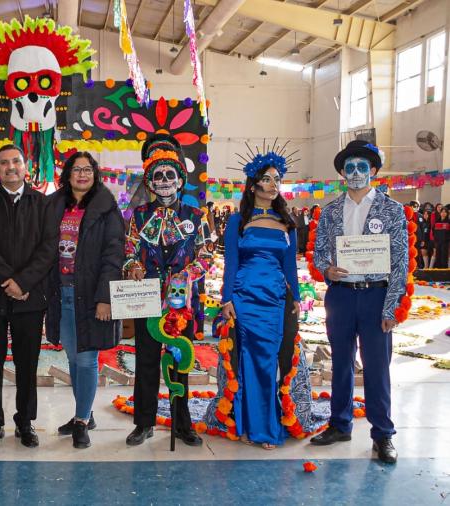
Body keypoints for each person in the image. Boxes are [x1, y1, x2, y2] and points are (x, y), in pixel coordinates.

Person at [311, 140, 408, 464]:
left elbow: (400, 262)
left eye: (361, 167)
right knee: (340, 362)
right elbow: (320, 250)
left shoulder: (391, 210)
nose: (355, 173)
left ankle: (382, 434)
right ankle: (339, 424)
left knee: (377, 367)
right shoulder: (331, 211)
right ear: (341, 172)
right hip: (341, 295)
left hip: (376, 294)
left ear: (374, 171)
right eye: (349, 167)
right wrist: (326, 268)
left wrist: (391, 306)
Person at [212, 151, 311, 449]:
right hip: (244, 297)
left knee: (268, 362)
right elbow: (231, 262)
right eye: (266, 179)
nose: (272, 184)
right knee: (244, 361)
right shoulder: (237, 221)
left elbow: (289, 265)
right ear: (253, 185)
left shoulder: (288, 221)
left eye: (277, 179)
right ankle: (244, 423)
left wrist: (295, 296)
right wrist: (226, 299)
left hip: (275, 300)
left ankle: (265, 426)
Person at [123, 133, 213, 447]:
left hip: (182, 302)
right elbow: (129, 251)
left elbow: (207, 254)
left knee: (180, 360)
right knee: (146, 360)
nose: (163, 181)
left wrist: (187, 274)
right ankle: (143, 422)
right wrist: (132, 266)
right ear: (149, 182)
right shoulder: (138, 216)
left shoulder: (196, 216)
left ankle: (182, 423)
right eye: (157, 176)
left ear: (179, 181)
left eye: (169, 175)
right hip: (146, 297)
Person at [0, 144, 56, 449]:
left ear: (25, 166)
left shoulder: (43, 204)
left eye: (15, 161)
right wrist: (9, 281)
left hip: (30, 299)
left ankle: (25, 422)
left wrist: (23, 282)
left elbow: (48, 249)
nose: (10, 167)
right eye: (4, 163)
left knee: (27, 364)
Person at [44, 152, 125, 449]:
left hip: (91, 296)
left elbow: (114, 256)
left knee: (87, 358)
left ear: (95, 174)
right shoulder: (54, 206)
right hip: (61, 293)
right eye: (76, 169)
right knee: (72, 358)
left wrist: (105, 298)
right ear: (67, 175)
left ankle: (80, 421)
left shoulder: (107, 209)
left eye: (87, 169)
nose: (82, 174)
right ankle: (85, 414)